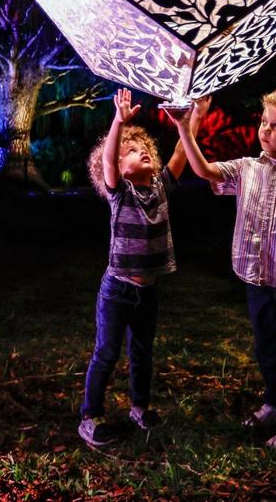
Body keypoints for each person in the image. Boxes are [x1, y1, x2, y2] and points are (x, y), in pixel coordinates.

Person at [169, 88, 276, 451]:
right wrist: (186, 127)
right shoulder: (246, 168)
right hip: (256, 275)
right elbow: (203, 169)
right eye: (264, 121)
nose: (265, 129)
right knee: (266, 344)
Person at [77, 88, 208, 448]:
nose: (143, 151)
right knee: (107, 352)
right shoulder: (120, 193)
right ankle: (90, 416)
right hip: (117, 290)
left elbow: (181, 152)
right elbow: (108, 161)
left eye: (145, 147)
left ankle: (139, 407)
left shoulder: (161, 187)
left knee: (142, 353)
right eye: (132, 151)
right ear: (120, 168)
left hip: (147, 292)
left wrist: (196, 117)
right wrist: (119, 122)